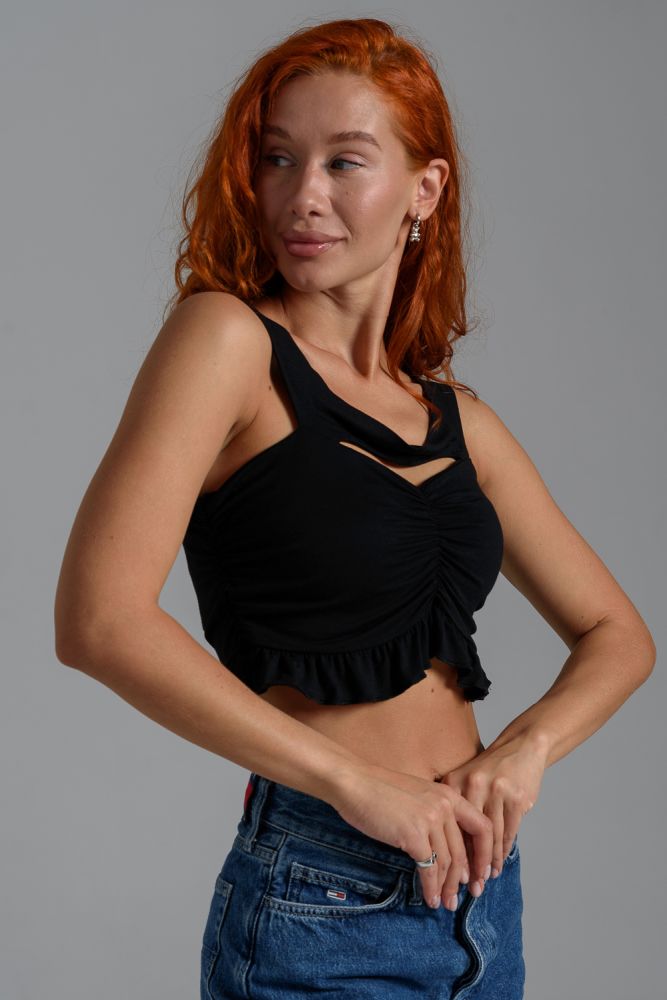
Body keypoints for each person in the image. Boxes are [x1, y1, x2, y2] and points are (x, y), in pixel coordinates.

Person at [53, 16, 656, 1000]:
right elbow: (97, 622)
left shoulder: (456, 419)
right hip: (321, 891)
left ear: (425, 189)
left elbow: (618, 635)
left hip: (480, 896)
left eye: (344, 161)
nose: (303, 195)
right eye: (277, 158)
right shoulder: (226, 343)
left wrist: (523, 750)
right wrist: (350, 782)